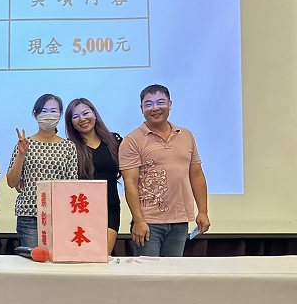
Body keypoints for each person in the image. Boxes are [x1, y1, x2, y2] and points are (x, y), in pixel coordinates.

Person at [119, 84, 210, 257]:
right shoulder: (132, 140)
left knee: (173, 272)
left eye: (160, 102)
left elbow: (196, 175)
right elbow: (130, 183)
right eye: (148, 104)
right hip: (149, 222)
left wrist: (203, 211)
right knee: (148, 272)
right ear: (141, 108)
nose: (155, 108)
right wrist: (138, 220)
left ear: (170, 104)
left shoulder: (186, 135)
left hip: (180, 221)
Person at [6, 94, 78, 248]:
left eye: (54, 111)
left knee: (58, 260)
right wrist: (21, 154)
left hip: (59, 216)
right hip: (29, 215)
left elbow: (72, 185)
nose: (49, 115)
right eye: (44, 111)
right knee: (33, 260)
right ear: (35, 114)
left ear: (60, 114)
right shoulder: (25, 144)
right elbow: (11, 182)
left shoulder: (68, 146)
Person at [65, 98, 123, 254]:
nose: (82, 119)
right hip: (81, 211)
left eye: (85, 113)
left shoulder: (115, 141)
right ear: (71, 123)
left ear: (95, 115)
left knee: (103, 256)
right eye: (75, 116)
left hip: (110, 208)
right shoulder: (69, 147)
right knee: (84, 257)